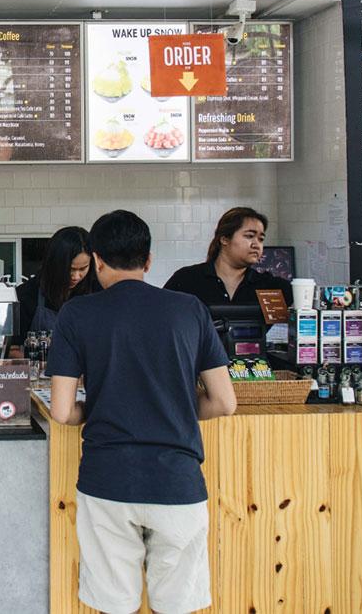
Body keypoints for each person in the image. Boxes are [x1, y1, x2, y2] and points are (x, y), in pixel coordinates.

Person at [46, 210, 236, 614]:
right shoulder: (189, 309)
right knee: (176, 606)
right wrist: (174, 405)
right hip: (178, 483)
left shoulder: (76, 315)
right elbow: (224, 402)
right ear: (148, 261)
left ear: (97, 261)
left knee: (115, 605)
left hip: (107, 481)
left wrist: (97, 406)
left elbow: (62, 411)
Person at [164, 206, 293, 307]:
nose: (256, 245)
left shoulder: (272, 286)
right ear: (224, 239)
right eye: (249, 236)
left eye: (261, 239)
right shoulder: (186, 279)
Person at [13, 226, 98, 351]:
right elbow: (12, 350)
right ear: (54, 263)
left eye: (83, 268)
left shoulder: (97, 291)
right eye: (71, 269)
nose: (76, 276)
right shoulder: (27, 294)